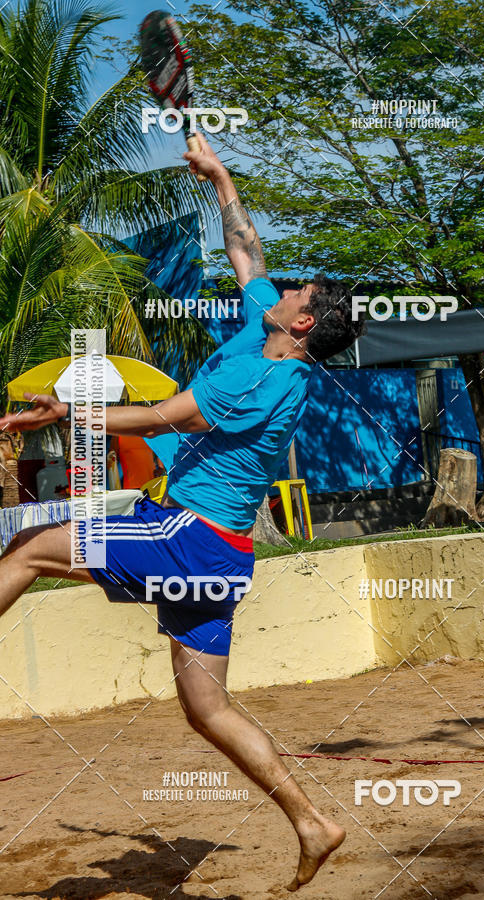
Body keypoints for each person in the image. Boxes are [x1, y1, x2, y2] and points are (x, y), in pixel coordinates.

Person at [0, 133, 365, 891]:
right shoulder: (265, 334)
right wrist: (222, 179)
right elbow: (250, 257)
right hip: (223, 559)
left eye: (302, 293)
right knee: (207, 709)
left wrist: (67, 410)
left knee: (33, 546)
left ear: (303, 324)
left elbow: (165, 417)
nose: (288, 287)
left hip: (188, 537)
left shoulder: (260, 384)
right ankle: (313, 822)